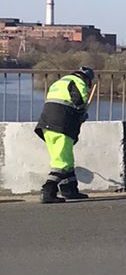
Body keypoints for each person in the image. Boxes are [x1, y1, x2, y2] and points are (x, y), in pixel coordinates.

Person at [34, 66, 94, 203]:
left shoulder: (59, 83)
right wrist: (82, 114)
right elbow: (79, 102)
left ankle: (70, 190)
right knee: (62, 164)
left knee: (65, 159)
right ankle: (48, 191)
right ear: (87, 79)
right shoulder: (78, 83)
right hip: (62, 126)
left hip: (46, 125)